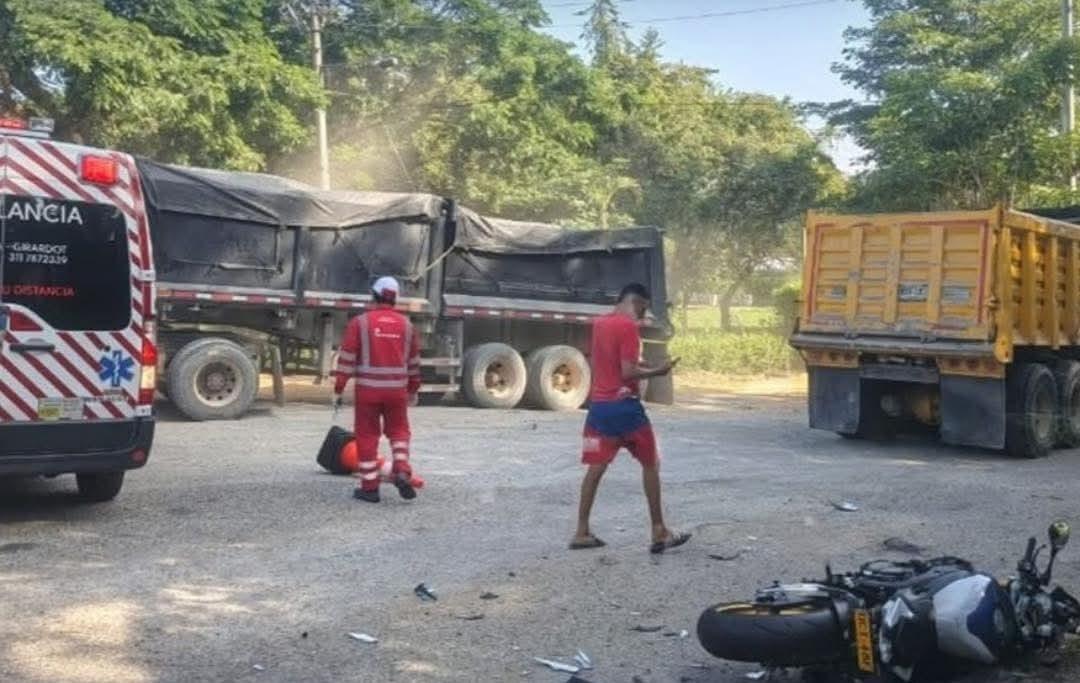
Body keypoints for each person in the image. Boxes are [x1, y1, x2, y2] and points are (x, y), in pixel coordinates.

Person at [570, 283, 690, 554]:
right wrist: (658, 371)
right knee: (651, 464)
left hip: (599, 410)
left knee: (595, 469)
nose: (642, 315)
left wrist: (643, 367)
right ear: (636, 302)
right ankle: (659, 530)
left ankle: (581, 531)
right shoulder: (627, 327)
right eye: (643, 308)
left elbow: (612, 364)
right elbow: (626, 372)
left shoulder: (600, 324)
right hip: (625, 409)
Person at [334, 276, 422, 503]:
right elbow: (413, 364)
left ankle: (370, 488)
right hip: (397, 392)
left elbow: (347, 357)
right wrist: (412, 388)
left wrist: (339, 385)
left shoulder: (360, 323)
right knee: (399, 432)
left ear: (374, 295)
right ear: (395, 299)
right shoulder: (408, 326)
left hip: (368, 392)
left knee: (367, 436)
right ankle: (402, 469)